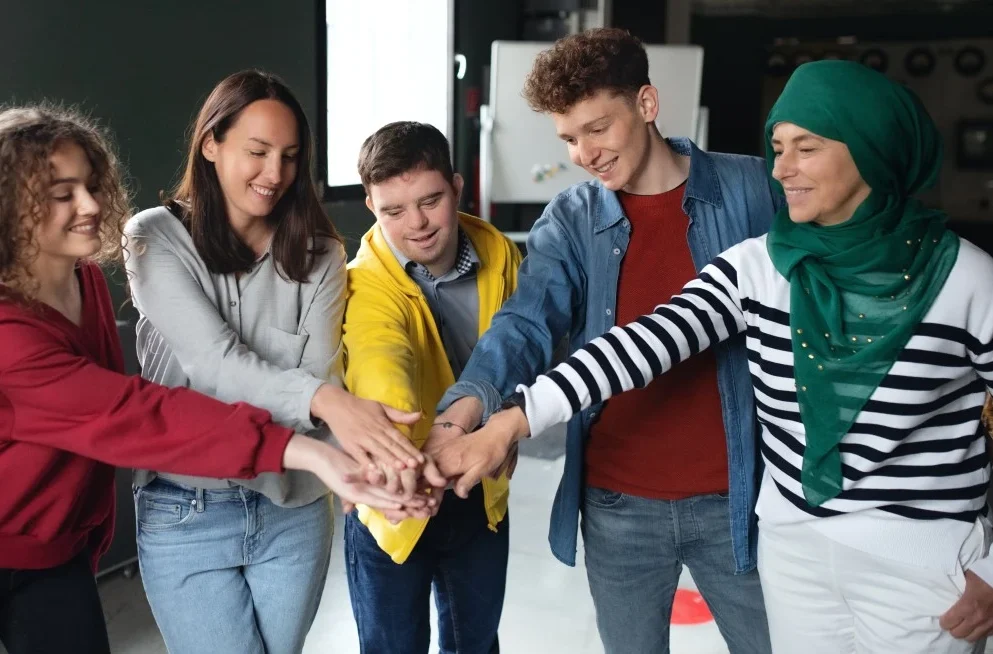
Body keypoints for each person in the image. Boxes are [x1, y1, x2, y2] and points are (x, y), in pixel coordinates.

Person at [451, 60, 993, 654]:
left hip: (910, 560)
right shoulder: (762, 264)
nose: (783, 169)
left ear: (869, 149)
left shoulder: (965, 277)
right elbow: (639, 342)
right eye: (778, 147)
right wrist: (505, 418)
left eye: (804, 148)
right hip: (788, 544)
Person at [0, 104, 417, 654]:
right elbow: (138, 413)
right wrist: (317, 452)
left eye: (91, 184)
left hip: (58, 546)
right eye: (62, 194)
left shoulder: (82, 282)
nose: (92, 204)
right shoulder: (13, 334)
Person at [432, 27, 779, 653]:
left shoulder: (754, 191)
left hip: (738, 495)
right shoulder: (572, 218)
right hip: (619, 503)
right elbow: (526, 322)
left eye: (598, 129)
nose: (584, 153)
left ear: (646, 105)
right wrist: (464, 412)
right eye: (568, 138)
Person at [123, 71, 440, 654]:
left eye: (290, 157)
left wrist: (377, 470)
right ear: (211, 145)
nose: (275, 175)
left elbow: (323, 381)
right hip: (186, 508)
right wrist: (326, 405)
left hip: (293, 508)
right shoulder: (153, 238)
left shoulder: (320, 255)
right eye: (258, 152)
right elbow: (214, 362)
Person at [341, 121, 522, 654]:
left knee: (477, 644)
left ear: (458, 188)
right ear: (371, 205)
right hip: (395, 497)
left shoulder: (502, 255)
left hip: (478, 487)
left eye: (430, 201)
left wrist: (508, 420)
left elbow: (520, 351)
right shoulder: (363, 282)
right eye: (392, 211)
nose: (416, 224)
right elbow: (380, 364)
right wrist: (399, 461)